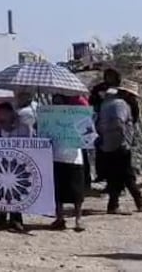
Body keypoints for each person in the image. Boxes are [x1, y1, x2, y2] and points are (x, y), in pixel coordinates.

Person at [98, 83, 142, 214]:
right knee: (126, 175)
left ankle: (122, 203)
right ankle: (137, 201)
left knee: (116, 176)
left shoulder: (107, 103)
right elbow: (118, 122)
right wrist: (125, 140)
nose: (133, 99)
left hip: (108, 144)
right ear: (126, 94)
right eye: (132, 96)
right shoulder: (120, 104)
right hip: (119, 144)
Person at [47, 94, 86, 232]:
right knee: (58, 192)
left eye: (59, 102)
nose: (57, 105)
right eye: (54, 102)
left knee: (77, 192)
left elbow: (86, 134)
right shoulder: (49, 118)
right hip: (56, 157)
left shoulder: (76, 117)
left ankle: (78, 220)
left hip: (74, 158)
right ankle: (60, 218)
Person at [0, 101, 30, 232]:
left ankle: (15, 219)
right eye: (0, 112)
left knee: (15, 191)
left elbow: (31, 143)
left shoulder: (23, 127)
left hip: (17, 165)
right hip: (0, 164)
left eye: (5, 112)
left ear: (12, 113)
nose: (2, 115)